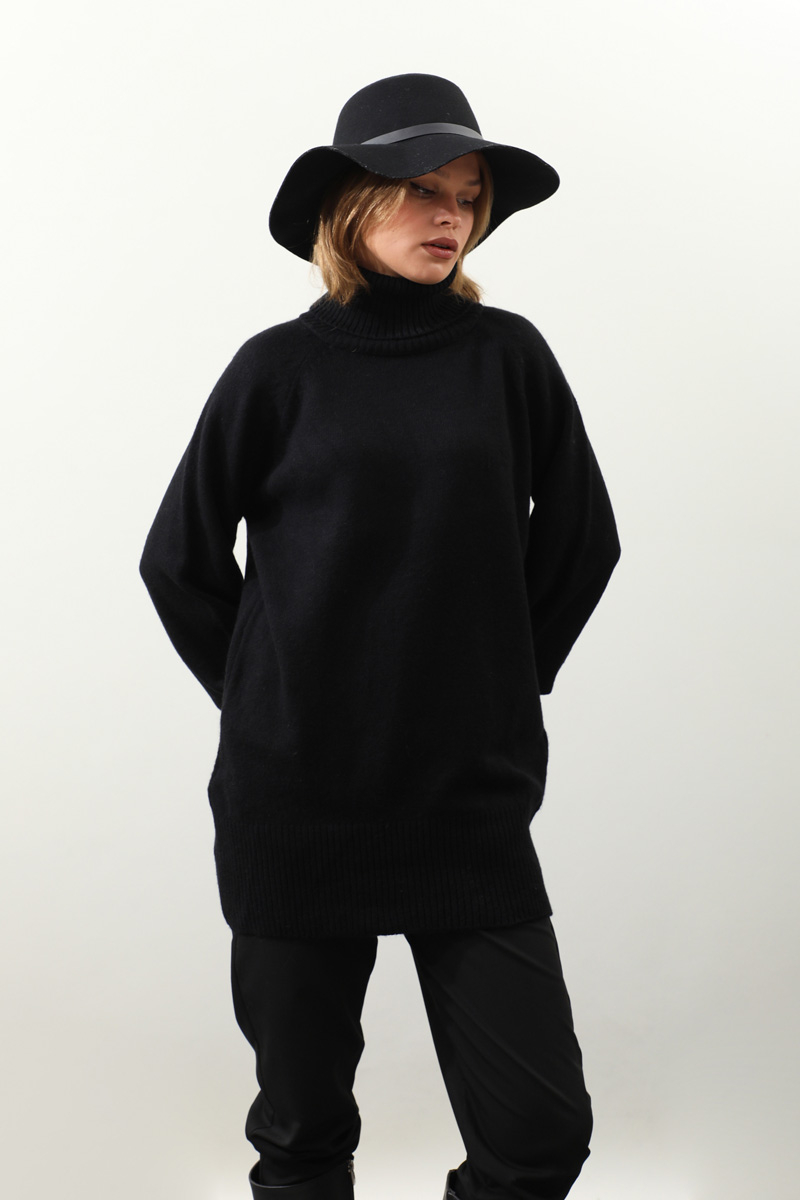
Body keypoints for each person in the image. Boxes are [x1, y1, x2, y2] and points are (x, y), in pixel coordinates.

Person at [140, 73, 621, 1200]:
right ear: (350, 205)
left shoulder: (507, 357)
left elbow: (583, 540)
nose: (451, 215)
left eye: (468, 194)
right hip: (296, 800)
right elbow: (178, 561)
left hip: (465, 796)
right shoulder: (275, 369)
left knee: (538, 1136)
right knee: (303, 1137)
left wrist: (498, 681)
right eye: (421, 190)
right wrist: (273, 700)